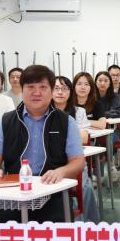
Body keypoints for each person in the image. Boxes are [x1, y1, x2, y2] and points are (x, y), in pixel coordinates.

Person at [0, 65, 85, 224]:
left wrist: (61, 171)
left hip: (52, 191)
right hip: (14, 191)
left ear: (51, 91)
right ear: (22, 90)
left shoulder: (66, 121)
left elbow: (78, 162)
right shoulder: (7, 120)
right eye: (30, 87)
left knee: (56, 233)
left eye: (43, 87)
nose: (36, 93)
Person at [52, 75, 99, 223]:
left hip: (73, 160)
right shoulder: (44, 111)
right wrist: (70, 135)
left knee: (85, 187)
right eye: (56, 88)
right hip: (51, 161)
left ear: (70, 92)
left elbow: (84, 137)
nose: (60, 92)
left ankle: (86, 224)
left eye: (65, 88)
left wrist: (56, 135)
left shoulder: (79, 111)